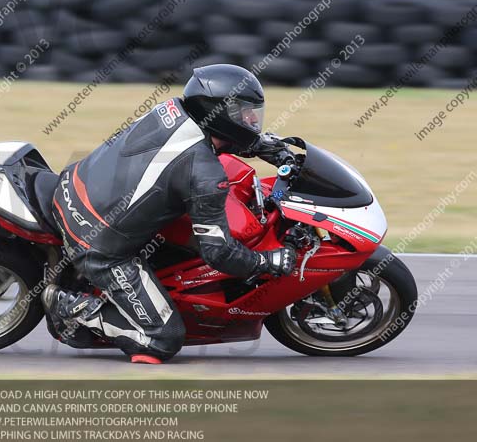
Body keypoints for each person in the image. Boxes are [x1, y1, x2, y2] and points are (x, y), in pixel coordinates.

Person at [43, 64, 297, 364]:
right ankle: (67, 305)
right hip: (97, 244)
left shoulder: (172, 109)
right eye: (244, 112)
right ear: (219, 113)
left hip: (74, 187)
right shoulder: (204, 175)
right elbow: (218, 253)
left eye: (254, 113)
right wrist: (264, 261)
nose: (253, 120)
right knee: (162, 340)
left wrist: (258, 144)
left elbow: (210, 138)